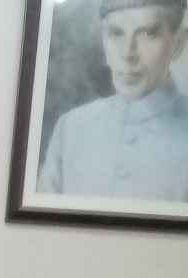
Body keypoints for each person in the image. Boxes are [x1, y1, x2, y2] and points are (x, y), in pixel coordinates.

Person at [39, 0, 188, 200]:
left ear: (178, 44)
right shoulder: (70, 128)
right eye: (116, 33)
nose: (127, 54)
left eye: (148, 34)